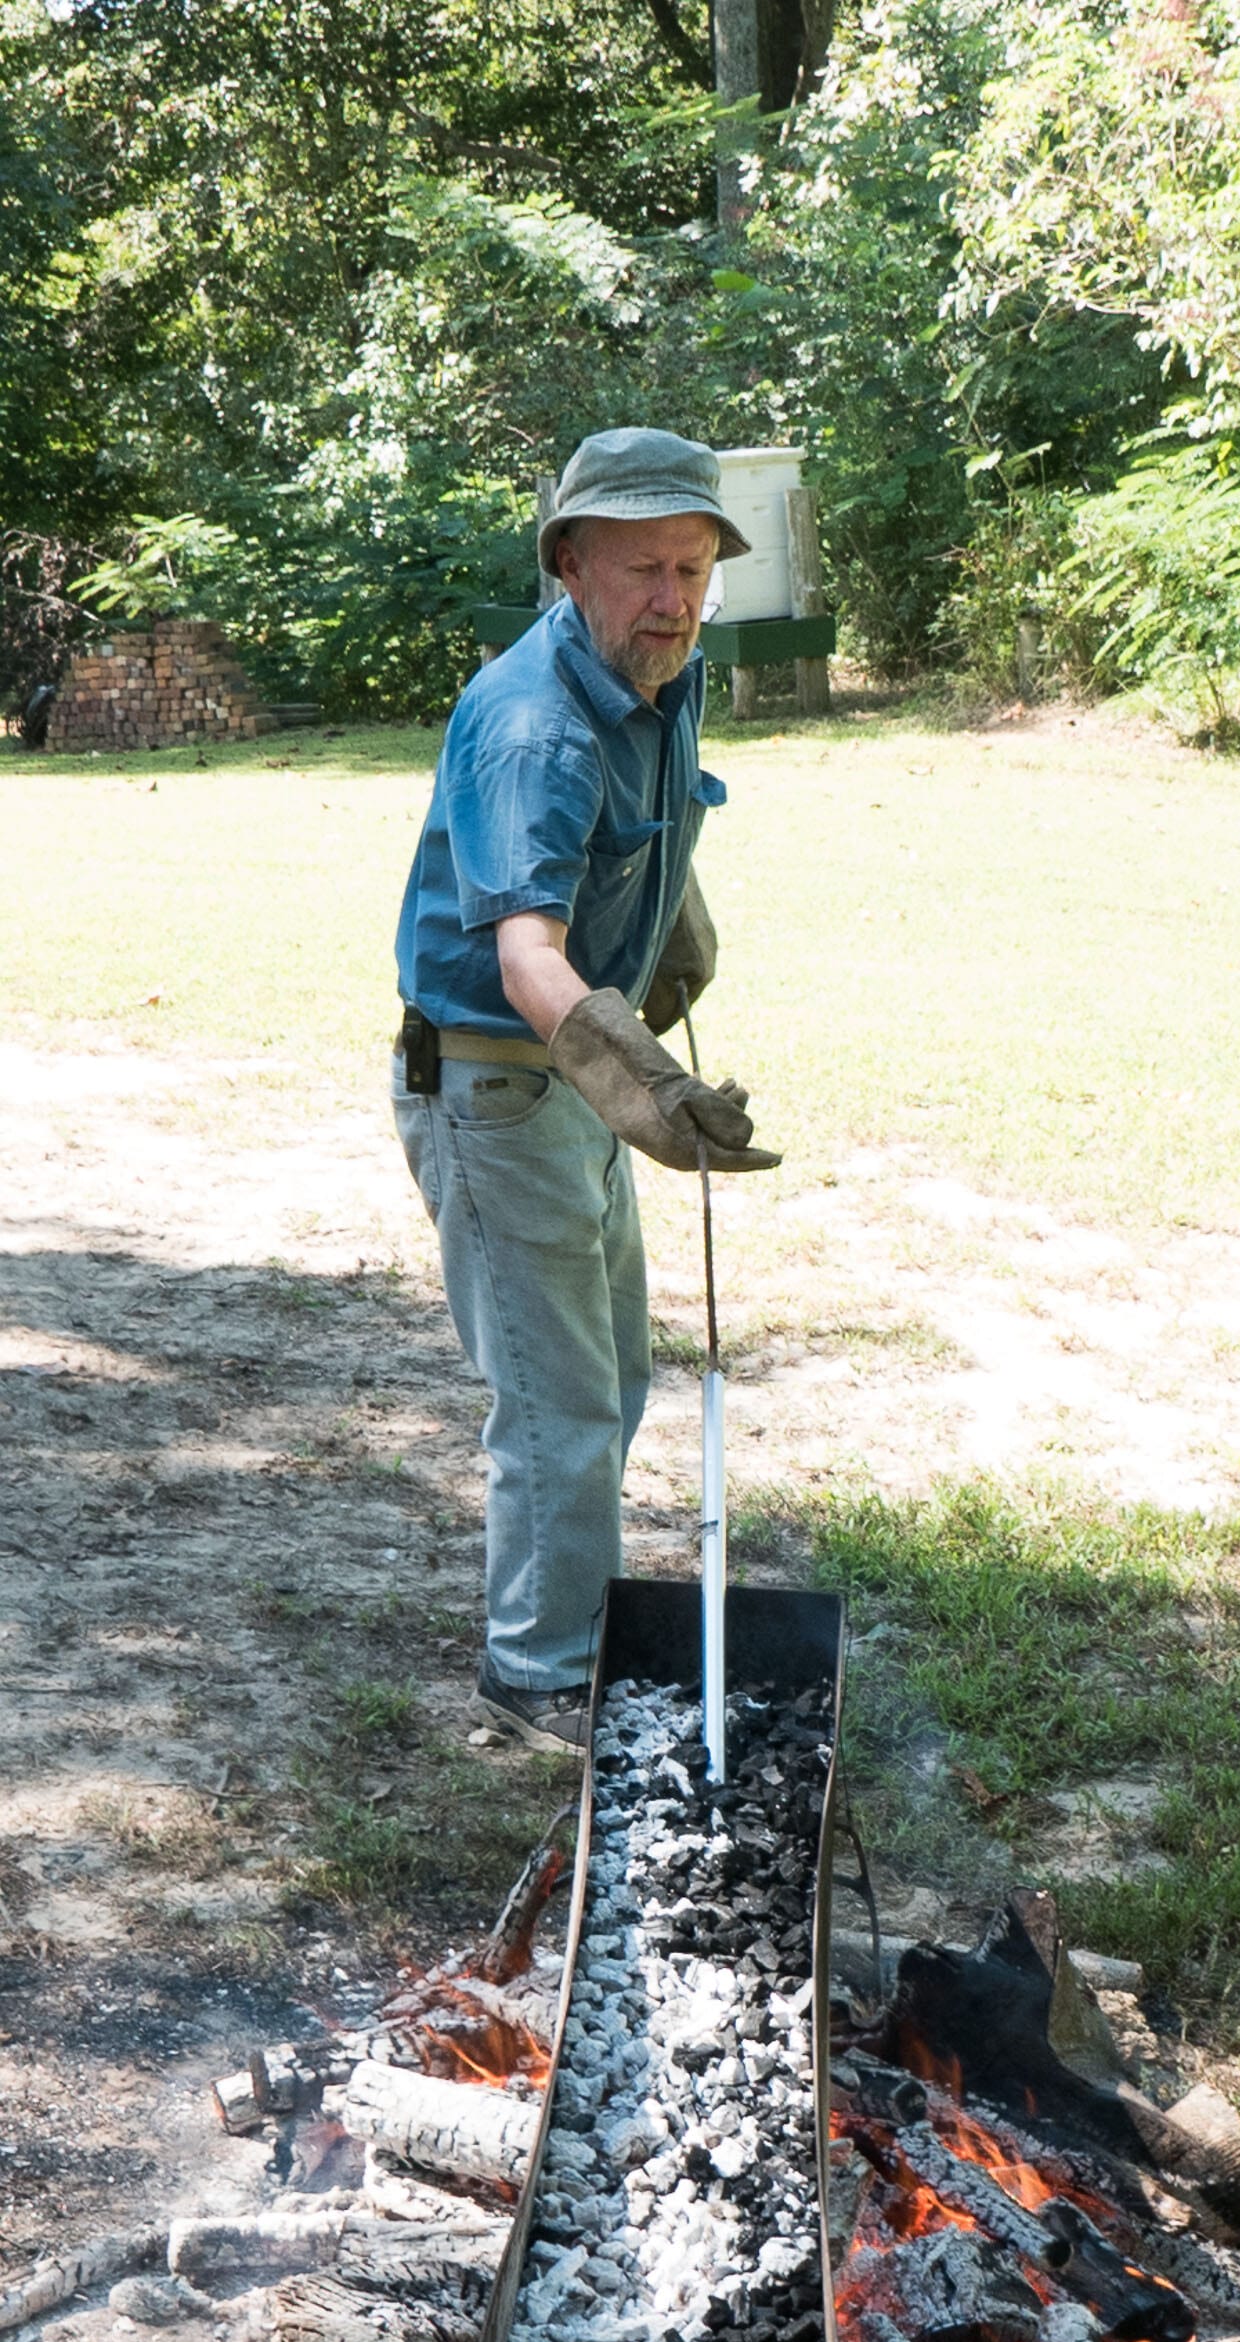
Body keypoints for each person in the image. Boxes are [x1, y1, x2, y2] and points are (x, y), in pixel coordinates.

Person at [392, 425, 778, 1757]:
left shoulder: (661, 674)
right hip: (502, 1086)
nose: (672, 599)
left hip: (566, 1079)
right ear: (570, 565)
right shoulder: (535, 727)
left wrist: (674, 927)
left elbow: (647, 828)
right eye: (641, 569)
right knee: (557, 1400)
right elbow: (524, 960)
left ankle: (562, 1631)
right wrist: (646, 1085)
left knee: (608, 1377)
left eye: (692, 568)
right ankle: (538, 1670)